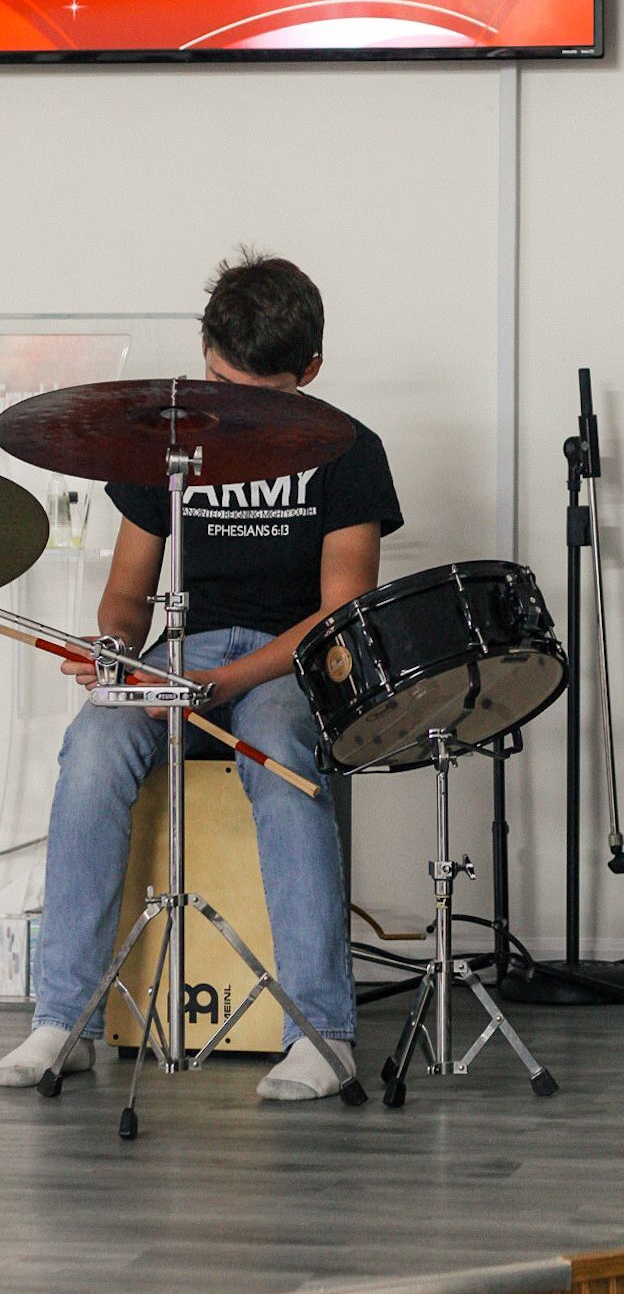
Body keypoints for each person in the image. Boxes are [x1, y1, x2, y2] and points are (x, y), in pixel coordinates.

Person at [0, 250, 402, 1100]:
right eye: (221, 380)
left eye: (259, 391)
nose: (233, 406)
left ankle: (319, 1032)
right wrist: (114, 647)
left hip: (291, 657)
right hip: (188, 644)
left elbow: (338, 615)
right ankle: (60, 1018)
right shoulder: (166, 436)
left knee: (283, 743)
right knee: (97, 739)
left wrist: (224, 685)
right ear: (205, 351)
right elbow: (127, 594)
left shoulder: (348, 450)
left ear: (312, 372)